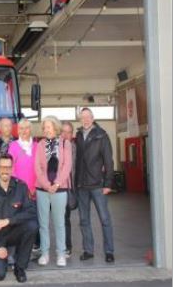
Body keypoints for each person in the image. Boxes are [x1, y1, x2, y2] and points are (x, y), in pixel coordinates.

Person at [0, 154, 39, 283]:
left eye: (8, 167)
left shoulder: (21, 186)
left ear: (12, 168)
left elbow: (31, 212)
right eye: (2, 167)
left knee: (32, 226)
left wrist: (9, 221)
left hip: (14, 232)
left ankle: (20, 267)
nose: (5, 170)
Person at [75, 108, 115, 263]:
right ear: (80, 119)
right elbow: (77, 161)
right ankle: (88, 250)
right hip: (82, 186)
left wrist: (108, 183)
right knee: (84, 220)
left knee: (105, 219)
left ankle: (109, 251)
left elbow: (108, 161)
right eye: (82, 117)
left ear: (93, 118)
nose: (85, 120)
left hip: (98, 184)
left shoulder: (101, 135)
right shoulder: (78, 135)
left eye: (88, 117)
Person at [35, 116, 72, 267]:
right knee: (43, 223)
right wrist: (45, 184)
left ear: (55, 127)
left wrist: (56, 183)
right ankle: (44, 253)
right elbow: (37, 167)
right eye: (44, 127)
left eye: (48, 127)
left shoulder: (65, 143)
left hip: (60, 188)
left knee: (59, 223)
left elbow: (67, 166)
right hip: (42, 189)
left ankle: (61, 254)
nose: (46, 130)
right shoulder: (40, 144)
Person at [8, 117, 40, 262]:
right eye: (21, 128)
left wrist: (34, 187)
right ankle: (18, 252)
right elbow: (11, 170)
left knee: (35, 222)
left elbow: (41, 169)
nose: (24, 131)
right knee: (20, 222)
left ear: (30, 129)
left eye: (26, 128)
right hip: (19, 192)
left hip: (35, 191)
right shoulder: (13, 146)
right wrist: (22, 189)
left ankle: (35, 249)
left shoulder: (37, 146)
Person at [61, 121, 77, 258]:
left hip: (67, 189)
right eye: (63, 131)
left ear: (72, 135)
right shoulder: (53, 147)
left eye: (69, 132)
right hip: (51, 189)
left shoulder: (75, 148)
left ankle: (67, 247)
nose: (66, 134)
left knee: (65, 219)